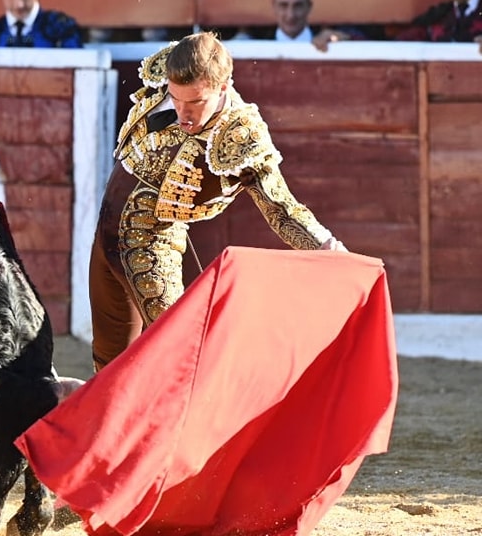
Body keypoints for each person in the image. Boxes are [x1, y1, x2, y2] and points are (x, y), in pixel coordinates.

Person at [89, 31, 345, 371]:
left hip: (149, 246)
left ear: (223, 87)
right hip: (104, 238)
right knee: (109, 359)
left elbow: (281, 207)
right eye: (175, 99)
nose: (183, 113)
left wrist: (328, 248)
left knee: (179, 356)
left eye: (195, 103)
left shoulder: (241, 133)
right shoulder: (172, 70)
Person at [269, 0, 360, 51]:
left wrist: (343, 39)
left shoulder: (328, 41)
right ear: (274, 6)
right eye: (283, 6)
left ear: (309, 7)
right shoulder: (257, 43)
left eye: (298, 6)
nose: (290, 15)